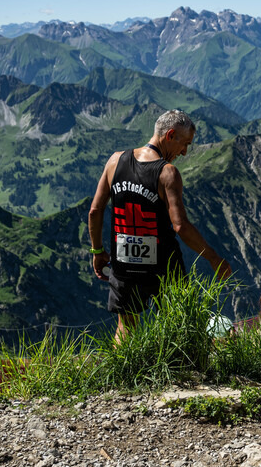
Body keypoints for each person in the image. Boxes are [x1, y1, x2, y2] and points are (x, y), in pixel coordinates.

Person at [88, 109, 232, 343]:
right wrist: (214, 259)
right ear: (171, 135)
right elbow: (181, 226)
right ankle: (177, 375)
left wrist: (97, 251)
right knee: (177, 322)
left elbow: (95, 211)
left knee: (126, 327)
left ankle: (121, 376)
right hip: (163, 263)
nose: (184, 152)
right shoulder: (167, 173)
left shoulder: (115, 160)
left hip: (124, 260)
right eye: (184, 144)